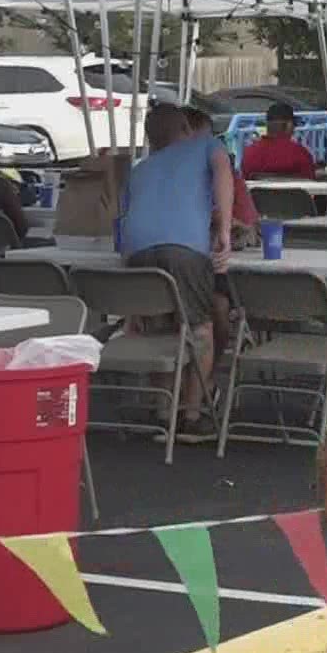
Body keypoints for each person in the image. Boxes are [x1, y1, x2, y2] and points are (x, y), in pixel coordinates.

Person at [119, 103, 234, 443]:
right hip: (184, 249)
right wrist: (224, 227)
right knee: (199, 329)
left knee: (159, 324)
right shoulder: (207, 146)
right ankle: (193, 415)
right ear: (186, 127)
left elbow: (123, 217)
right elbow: (223, 172)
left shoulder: (140, 169)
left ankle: (163, 410)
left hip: (137, 251)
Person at [185, 105, 257, 359]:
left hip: (219, 274)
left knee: (217, 305)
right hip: (181, 271)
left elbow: (248, 228)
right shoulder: (167, 177)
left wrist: (223, 223)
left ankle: (210, 374)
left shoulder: (228, 178)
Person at [240, 101, 318, 180]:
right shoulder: (300, 153)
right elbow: (310, 180)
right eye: (294, 124)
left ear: (267, 125)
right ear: (289, 125)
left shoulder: (250, 153)